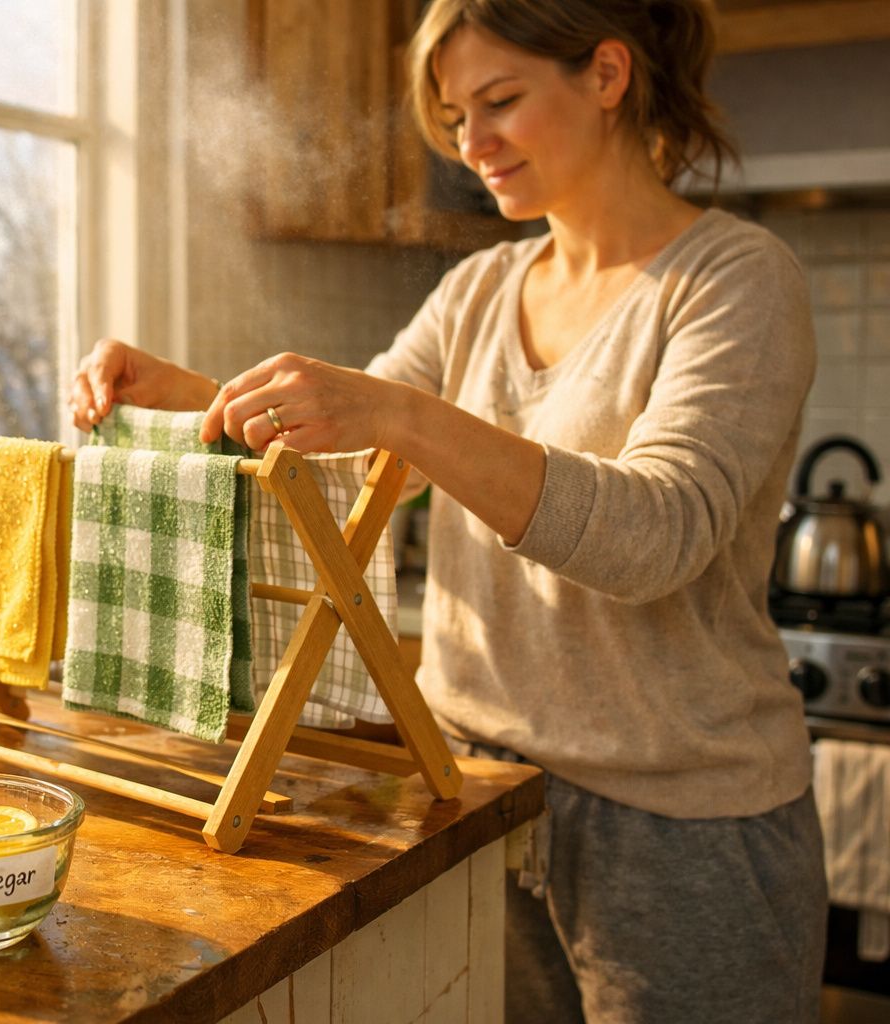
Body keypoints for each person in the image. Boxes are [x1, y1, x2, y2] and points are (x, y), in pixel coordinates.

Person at [68, 1, 827, 1021]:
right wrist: (191, 395)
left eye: (499, 100)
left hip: (684, 829)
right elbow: (356, 453)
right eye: (456, 115)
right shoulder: (477, 289)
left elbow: (660, 535)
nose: (472, 144)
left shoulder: (735, 280)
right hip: (472, 794)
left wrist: (397, 411)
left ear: (607, 76)